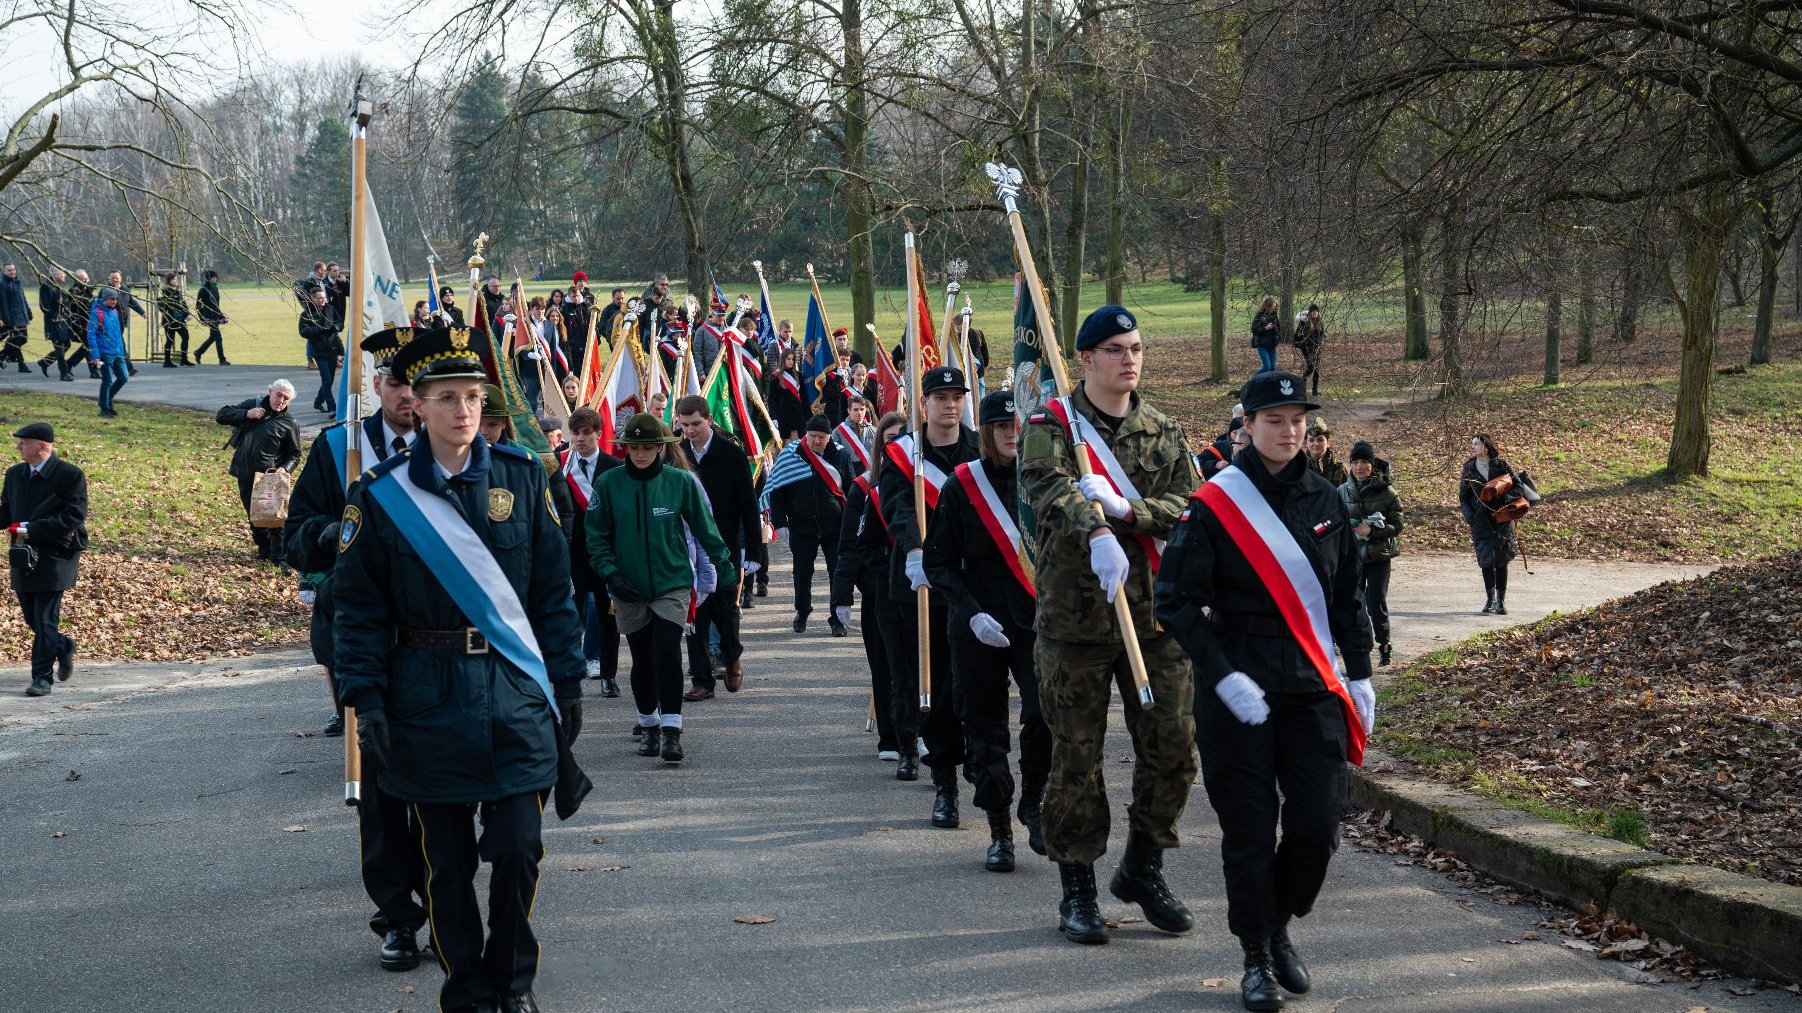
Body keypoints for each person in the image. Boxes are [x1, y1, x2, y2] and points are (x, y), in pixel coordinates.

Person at [333, 325, 588, 1013]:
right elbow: (355, 611)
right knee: (447, 865)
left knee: (517, 848)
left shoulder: (522, 477)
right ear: (416, 404)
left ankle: (512, 979)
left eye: (473, 396)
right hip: (425, 696)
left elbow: (552, 596)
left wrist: (567, 682)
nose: (464, 410)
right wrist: (367, 698)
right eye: (447, 397)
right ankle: (469, 990)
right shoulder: (379, 495)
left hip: (513, 693)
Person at [1154, 369, 1375, 1011]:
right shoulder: (1215, 502)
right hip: (1239, 695)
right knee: (1250, 832)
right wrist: (1221, 674)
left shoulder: (1327, 498)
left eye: (1298, 420)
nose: (1288, 431)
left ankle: (1277, 920)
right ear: (1247, 425)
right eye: (1274, 420)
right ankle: (1255, 956)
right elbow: (1175, 602)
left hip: (1310, 689)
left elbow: (1345, 596)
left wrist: (1358, 674)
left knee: (1318, 827)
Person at [1018, 304, 1201, 946]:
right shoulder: (1049, 423)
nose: (1131, 359)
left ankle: (1144, 867)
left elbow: (1192, 502)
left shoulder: (1162, 429)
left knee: (1175, 747)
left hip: (1153, 619)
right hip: (1075, 624)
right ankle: (1078, 888)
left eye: (1138, 348)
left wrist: (1131, 510)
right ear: (1087, 359)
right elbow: (1045, 486)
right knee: (1076, 758)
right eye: (1118, 349)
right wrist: (1093, 525)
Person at [281, 327, 429, 976]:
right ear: (376, 385)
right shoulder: (340, 449)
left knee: (441, 783)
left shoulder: (449, 448)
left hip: (439, 640)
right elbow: (296, 537)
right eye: (394, 382)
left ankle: (444, 900)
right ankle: (397, 916)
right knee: (381, 787)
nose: (404, 395)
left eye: (413, 384)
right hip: (361, 637)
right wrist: (344, 532)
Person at [923, 391, 1049, 872]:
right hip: (977, 622)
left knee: (1045, 713)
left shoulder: (1042, 484)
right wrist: (970, 611)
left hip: (1034, 619)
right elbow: (940, 561)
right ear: (988, 433)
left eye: (1019, 427)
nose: (1012, 435)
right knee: (984, 727)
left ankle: (1033, 798)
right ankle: (999, 829)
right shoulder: (962, 486)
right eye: (1002, 427)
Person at [588, 412, 736, 761]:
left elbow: (705, 528)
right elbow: (596, 538)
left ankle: (672, 730)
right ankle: (649, 725)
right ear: (625, 448)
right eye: (634, 447)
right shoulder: (608, 484)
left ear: (660, 447)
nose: (640, 454)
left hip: (672, 582)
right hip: (627, 585)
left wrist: (724, 568)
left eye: (647, 447)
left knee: (667, 652)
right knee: (641, 658)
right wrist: (611, 574)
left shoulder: (679, 482)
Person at [879, 366, 977, 816]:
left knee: (971, 682)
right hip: (920, 587)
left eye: (957, 396)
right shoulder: (904, 454)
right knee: (931, 687)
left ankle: (975, 750)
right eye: (941, 397)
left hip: (974, 585)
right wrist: (915, 548)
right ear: (925, 404)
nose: (951, 404)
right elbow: (896, 505)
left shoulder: (980, 448)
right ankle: (944, 785)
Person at [673, 394, 761, 700]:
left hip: (723, 546)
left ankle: (732, 655)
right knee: (694, 614)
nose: (690, 430)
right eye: (684, 425)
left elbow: (748, 506)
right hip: (688, 548)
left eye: (696, 423)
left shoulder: (731, 454)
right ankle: (702, 680)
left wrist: (754, 551)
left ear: (710, 420)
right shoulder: (677, 454)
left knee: (724, 611)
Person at [832, 411, 906, 763]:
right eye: (888, 438)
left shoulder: (924, 484)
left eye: (902, 437)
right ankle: (890, 737)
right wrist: (842, 595)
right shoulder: (864, 487)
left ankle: (918, 731)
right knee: (884, 666)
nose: (895, 443)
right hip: (880, 591)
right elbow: (850, 546)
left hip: (921, 591)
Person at [4, 423, 87, 697]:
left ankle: (42, 677)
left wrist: (33, 530)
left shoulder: (70, 475)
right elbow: (5, 512)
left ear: (42, 445)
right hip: (23, 556)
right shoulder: (14, 474)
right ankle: (62, 646)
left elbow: (73, 516)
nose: (19, 447)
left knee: (44, 618)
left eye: (24, 442)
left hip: (55, 555)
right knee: (33, 618)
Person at [769, 415, 852, 636]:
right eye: (812, 436)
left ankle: (837, 619)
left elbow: (852, 492)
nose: (816, 441)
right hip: (802, 526)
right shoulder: (792, 454)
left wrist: (852, 523)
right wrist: (779, 522)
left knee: (838, 571)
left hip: (835, 526)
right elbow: (778, 490)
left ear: (829, 437)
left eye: (821, 437)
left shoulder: (841, 454)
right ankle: (802, 611)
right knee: (802, 572)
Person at [559, 407, 623, 696]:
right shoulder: (561, 467)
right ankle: (569, 674)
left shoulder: (613, 467)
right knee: (570, 614)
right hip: (573, 553)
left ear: (599, 433)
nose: (580, 438)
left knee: (607, 615)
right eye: (576, 432)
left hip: (604, 554)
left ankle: (609, 674)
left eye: (586, 432)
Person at [214, 380, 303, 562]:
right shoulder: (252, 406)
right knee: (254, 515)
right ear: (270, 392)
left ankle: (279, 558)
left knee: (274, 520)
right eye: (278, 395)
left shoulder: (289, 422)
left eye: (286, 399)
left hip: (269, 476)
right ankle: (264, 550)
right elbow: (221, 415)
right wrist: (246, 414)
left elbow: (295, 454)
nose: (281, 401)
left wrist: (284, 469)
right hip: (244, 470)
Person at [1341, 440, 1403, 667]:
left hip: (1378, 557)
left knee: (1375, 605)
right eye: (1355, 462)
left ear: (1372, 465)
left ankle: (1385, 647)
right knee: (1354, 608)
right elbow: (1336, 524)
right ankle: (1358, 653)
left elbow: (1398, 524)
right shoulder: (1341, 491)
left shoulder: (1387, 492)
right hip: (1352, 558)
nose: (1359, 467)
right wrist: (1351, 528)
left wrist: (1373, 530)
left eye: (1364, 462)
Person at [1460, 432, 1520, 615]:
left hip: (1501, 520)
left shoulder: (1501, 464)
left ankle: (1501, 602)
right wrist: (1471, 516)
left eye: (1477, 444)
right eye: (1472, 444)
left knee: (1501, 560)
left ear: (1486, 446)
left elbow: (1519, 487)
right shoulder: (1469, 468)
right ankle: (1490, 599)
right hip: (1480, 522)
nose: (1473, 447)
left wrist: (1504, 499)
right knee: (1486, 561)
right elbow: (1463, 497)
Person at [299, 286, 343, 415]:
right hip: (319, 351)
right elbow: (303, 331)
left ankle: (318, 402)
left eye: (324, 297)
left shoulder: (331, 309)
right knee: (326, 380)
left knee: (330, 380)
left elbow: (340, 323)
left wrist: (336, 327)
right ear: (313, 299)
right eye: (319, 298)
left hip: (332, 349)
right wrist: (319, 329)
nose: (323, 300)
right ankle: (332, 408)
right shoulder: (307, 314)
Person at [88, 289, 129, 418]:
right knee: (107, 380)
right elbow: (91, 335)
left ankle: (107, 398)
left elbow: (118, 334)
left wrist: (122, 351)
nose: (114, 301)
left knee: (123, 377)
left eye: (116, 299)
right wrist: (95, 355)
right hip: (104, 352)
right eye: (112, 299)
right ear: (105, 299)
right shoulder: (96, 313)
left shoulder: (115, 312)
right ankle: (104, 408)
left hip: (117, 352)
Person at [766, 346, 809, 441]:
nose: (791, 361)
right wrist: (773, 417)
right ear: (783, 360)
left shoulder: (799, 376)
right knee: (782, 443)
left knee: (797, 442)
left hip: (798, 414)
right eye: (788, 359)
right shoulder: (775, 377)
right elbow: (772, 399)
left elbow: (804, 397)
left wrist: (808, 416)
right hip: (783, 414)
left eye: (793, 359)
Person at [1, 262, 34, 372]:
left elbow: (23, 299)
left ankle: (2, 355)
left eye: (13, 269)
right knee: (16, 339)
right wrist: (7, 320)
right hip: (12, 317)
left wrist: (28, 312)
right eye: (9, 270)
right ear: (4, 271)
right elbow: (3, 304)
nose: (12, 272)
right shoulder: (2, 284)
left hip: (22, 316)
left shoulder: (18, 282)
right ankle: (21, 364)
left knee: (23, 339)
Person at [36, 269, 69, 379]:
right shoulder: (46, 287)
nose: (64, 275)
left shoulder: (60, 286)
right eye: (62, 273)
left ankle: (44, 362)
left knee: (67, 345)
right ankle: (64, 374)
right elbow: (45, 306)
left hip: (64, 323)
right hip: (54, 324)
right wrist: (56, 316)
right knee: (60, 349)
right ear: (55, 275)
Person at [62, 270, 96, 379]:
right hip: (79, 324)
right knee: (88, 346)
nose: (85, 280)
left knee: (85, 347)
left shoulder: (90, 290)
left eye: (86, 278)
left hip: (90, 323)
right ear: (77, 279)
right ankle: (94, 371)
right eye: (82, 279)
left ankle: (69, 363)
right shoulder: (73, 291)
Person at [156, 272, 193, 368]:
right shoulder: (166, 292)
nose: (176, 281)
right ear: (169, 281)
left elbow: (183, 304)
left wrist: (187, 314)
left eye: (177, 279)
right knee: (170, 340)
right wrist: (184, 312)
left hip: (180, 320)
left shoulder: (177, 291)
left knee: (185, 337)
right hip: (170, 320)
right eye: (174, 279)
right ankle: (167, 362)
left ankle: (184, 359)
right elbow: (174, 305)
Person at [193, 269, 230, 365]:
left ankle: (198, 352)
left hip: (215, 316)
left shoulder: (215, 289)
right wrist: (201, 318)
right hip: (208, 317)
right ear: (208, 279)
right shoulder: (203, 290)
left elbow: (216, 306)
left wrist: (221, 316)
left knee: (213, 337)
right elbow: (197, 306)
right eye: (213, 278)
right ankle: (222, 359)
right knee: (218, 337)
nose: (215, 280)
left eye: (216, 278)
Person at [1303, 419, 1347, 485]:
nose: (1316, 443)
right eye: (1311, 440)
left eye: (1320, 440)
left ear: (1328, 442)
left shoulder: (1340, 468)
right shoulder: (1299, 467)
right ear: (1306, 443)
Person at [1295, 304, 1324, 396]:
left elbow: (1322, 334)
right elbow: (1297, 336)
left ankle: (1314, 391)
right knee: (1311, 367)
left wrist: (1320, 342)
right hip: (1306, 348)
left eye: (1316, 312)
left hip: (1316, 348)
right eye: (1313, 312)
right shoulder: (1304, 323)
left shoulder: (1319, 322)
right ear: (1310, 313)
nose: (1315, 313)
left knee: (1317, 369)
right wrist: (1303, 342)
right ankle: (1302, 383)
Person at [1250, 297, 1280, 374]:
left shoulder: (1274, 316)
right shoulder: (1259, 315)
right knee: (1267, 367)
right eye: (1271, 307)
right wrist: (1266, 328)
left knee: (1273, 367)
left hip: (1272, 345)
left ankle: (1270, 385)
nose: (1272, 309)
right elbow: (1254, 329)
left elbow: (1279, 329)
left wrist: (1278, 337)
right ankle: (1252, 382)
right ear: (1267, 306)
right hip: (1262, 345)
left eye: (1274, 307)